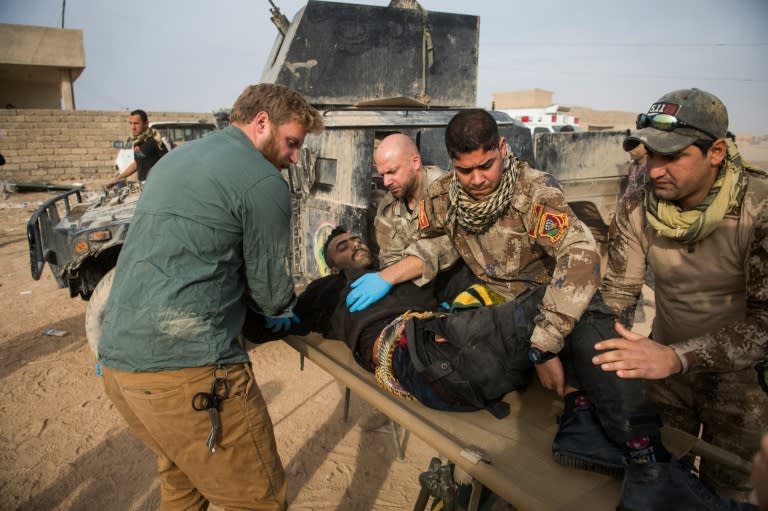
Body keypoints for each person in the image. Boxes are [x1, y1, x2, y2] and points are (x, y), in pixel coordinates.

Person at [97, 83, 323, 510]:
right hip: (189, 373)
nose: (295, 158)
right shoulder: (262, 182)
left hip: (118, 365)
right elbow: (272, 297)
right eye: (292, 143)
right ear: (262, 123)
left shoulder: (175, 159)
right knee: (260, 499)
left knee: (184, 484)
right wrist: (279, 311)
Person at [597, 88, 768, 503]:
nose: (655, 170)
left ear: (716, 152)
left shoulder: (758, 210)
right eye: (651, 155)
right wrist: (599, 359)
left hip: (741, 385)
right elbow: (618, 294)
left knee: (728, 493)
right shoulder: (638, 207)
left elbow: (765, 322)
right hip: (664, 374)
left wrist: (678, 356)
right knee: (655, 478)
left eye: (673, 156)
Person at [373, 133, 453, 268]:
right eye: (383, 175)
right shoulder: (388, 207)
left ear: (415, 162)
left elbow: (452, 246)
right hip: (411, 283)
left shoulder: (448, 191)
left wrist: (398, 272)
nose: (386, 182)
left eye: (392, 172)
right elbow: (389, 259)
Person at [105, 109, 169, 190]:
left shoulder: (153, 140)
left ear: (146, 124)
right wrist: (117, 178)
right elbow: (137, 162)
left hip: (157, 185)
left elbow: (166, 163)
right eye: (131, 123)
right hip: (147, 185)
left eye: (136, 123)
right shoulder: (138, 141)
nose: (133, 127)